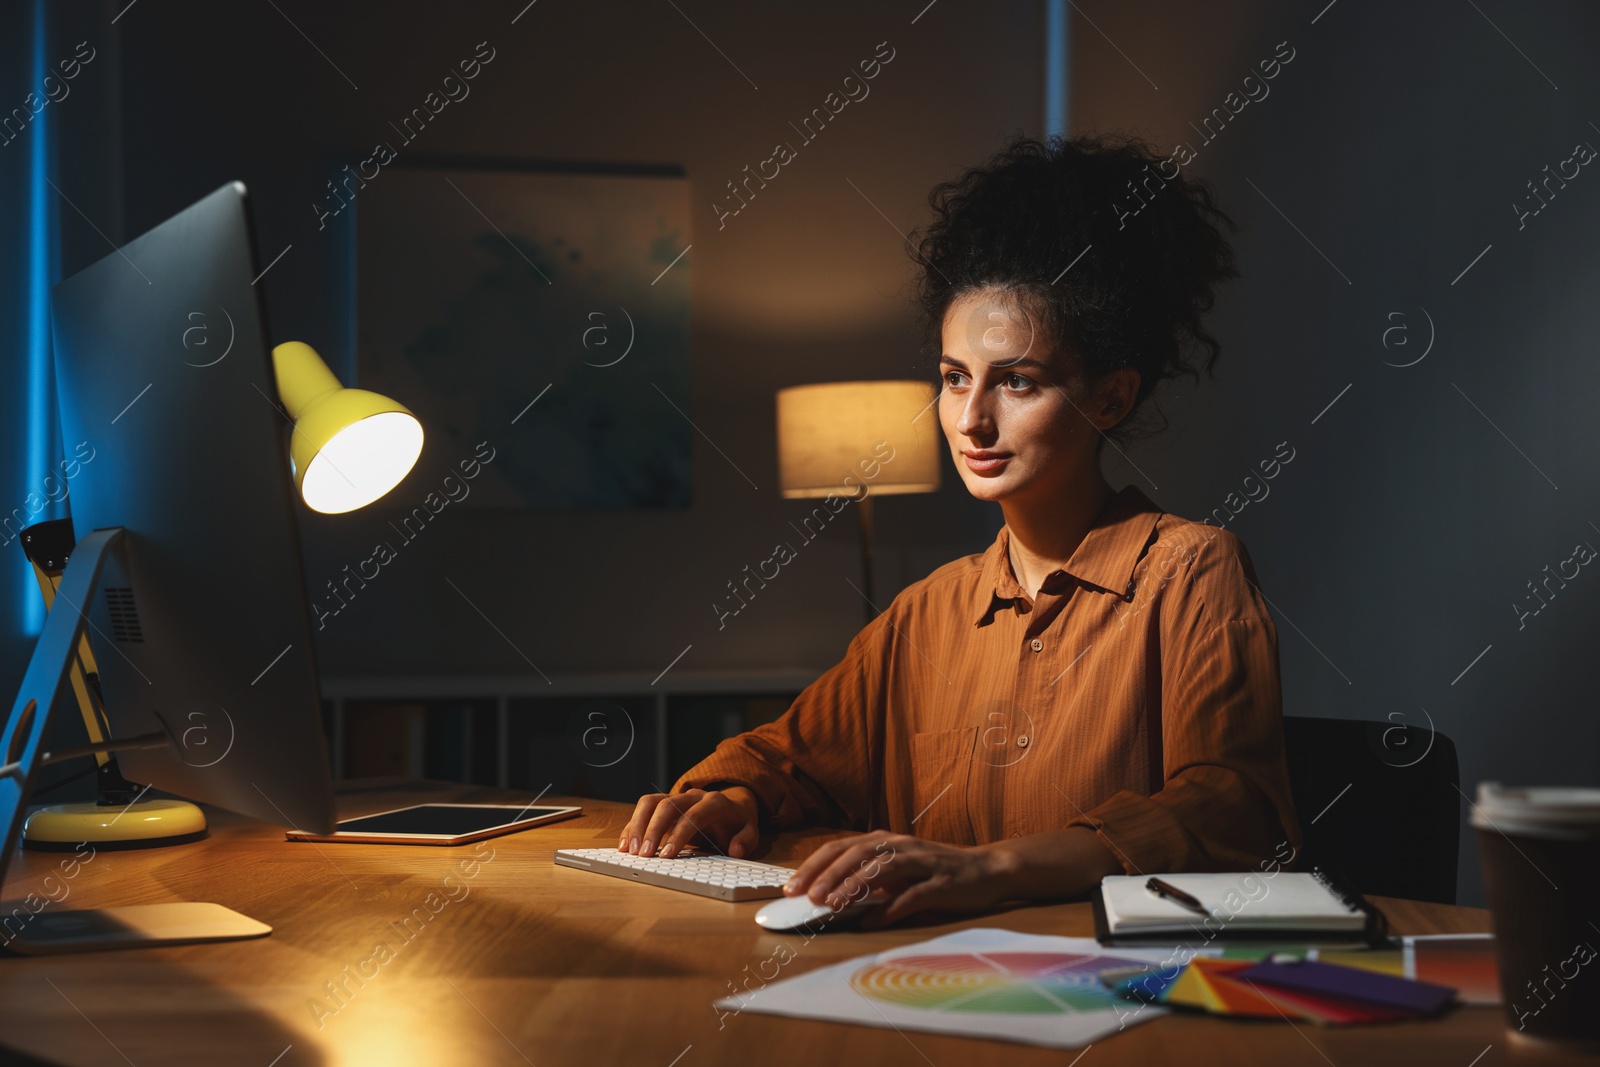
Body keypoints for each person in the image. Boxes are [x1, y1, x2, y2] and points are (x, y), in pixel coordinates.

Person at [621, 132, 1303, 928]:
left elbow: (1232, 810)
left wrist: (992, 867)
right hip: (933, 992)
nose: (972, 419)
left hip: (1122, 1003)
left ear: (1110, 398)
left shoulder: (1191, 571)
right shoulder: (925, 614)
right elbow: (787, 756)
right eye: (953, 380)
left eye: (1017, 381)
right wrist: (730, 797)